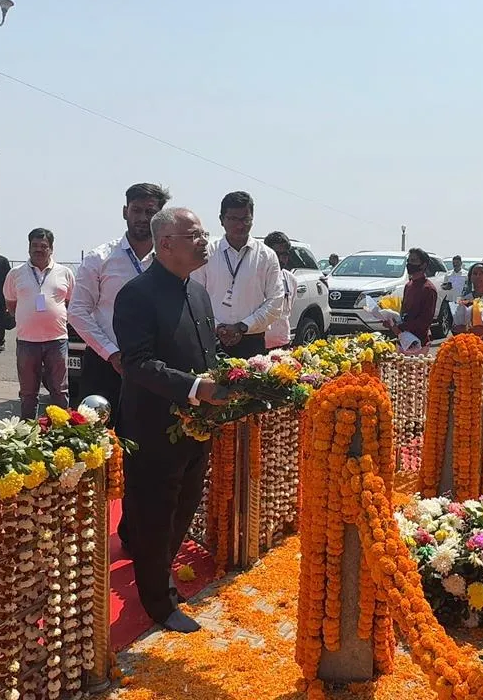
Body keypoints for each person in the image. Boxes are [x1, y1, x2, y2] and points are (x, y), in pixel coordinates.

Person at [114, 207, 229, 633]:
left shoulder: (196, 292)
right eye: (194, 235)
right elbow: (138, 364)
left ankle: (160, 578)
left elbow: (207, 357)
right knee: (153, 515)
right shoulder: (137, 295)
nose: (204, 242)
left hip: (196, 427)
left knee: (184, 507)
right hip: (152, 428)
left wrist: (235, 379)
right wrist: (197, 388)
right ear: (166, 244)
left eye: (203, 235)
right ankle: (157, 604)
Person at [69, 182, 171, 426]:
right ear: (125, 211)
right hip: (107, 365)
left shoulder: (171, 260)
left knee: (152, 442)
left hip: (157, 367)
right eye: (136, 210)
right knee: (100, 444)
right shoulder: (100, 258)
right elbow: (77, 311)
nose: (143, 218)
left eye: (151, 212)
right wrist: (111, 353)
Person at [189, 191, 284, 359]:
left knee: (251, 386)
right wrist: (218, 327)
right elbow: (193, 298)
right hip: (211, 339)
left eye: (245, 220)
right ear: (221, 220)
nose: (240, 226)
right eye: (233, 219)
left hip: (252, 341)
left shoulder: (267, 256)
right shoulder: (207, 253)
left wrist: (243, 326)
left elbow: (276, 302)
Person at [3, 228, 76, 420]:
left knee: (60, 391)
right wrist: (27, 318)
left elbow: (71, 302)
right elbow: (11, 303)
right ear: (28, 248)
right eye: (34, 245)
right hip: (27, 341)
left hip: (57, 340)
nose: (39, 250)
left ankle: (62, 433)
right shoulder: (16, 273)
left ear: (51, 249)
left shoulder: (65, 273)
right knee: (28, 393)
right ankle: (28, 433)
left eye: (44, 246)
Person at [383, 247, 437, 352]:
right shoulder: (408, 285)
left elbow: (425, 320)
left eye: (413, 261)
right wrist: (391, 322)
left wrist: (402, 327)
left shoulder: (428, 289)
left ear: (423, 265)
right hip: (403, 340)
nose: (409, 264)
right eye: (408, 261)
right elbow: (404, 312)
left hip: (418, 343)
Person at [263, 231, 297, 350]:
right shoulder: (256, 277)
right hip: (259, 344)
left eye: (285, 254)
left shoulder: (291, 279)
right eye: (277, 254)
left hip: (282, 343)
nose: (281, 259)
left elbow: (287, 311)